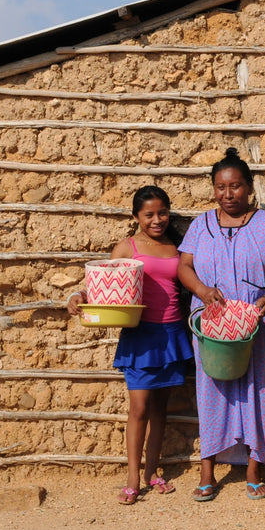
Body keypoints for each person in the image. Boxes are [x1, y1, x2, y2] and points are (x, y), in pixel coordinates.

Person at [68, 185, 193, 505]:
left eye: (162, 212)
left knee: (160, 410)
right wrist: (79, 297)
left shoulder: (177, 246)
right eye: (149, 214)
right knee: (138, 408)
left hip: (171, 334)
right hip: (140, 337)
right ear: (136, 216)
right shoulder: (126, 248)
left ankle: (152, 472)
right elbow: (102, 287)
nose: (157, 220)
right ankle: (132, 479)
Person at [177, 147, 265, 502]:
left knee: (257, 390)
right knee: (211, 392)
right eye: (221, 187)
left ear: (250, 187)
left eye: (236, 186)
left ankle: (255, 468)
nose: (228, 194)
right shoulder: (201, 224)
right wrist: (202, 290)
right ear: (213, 189)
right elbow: (184, 267)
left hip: (255, 323)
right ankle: (208, 472)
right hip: (211, 324)